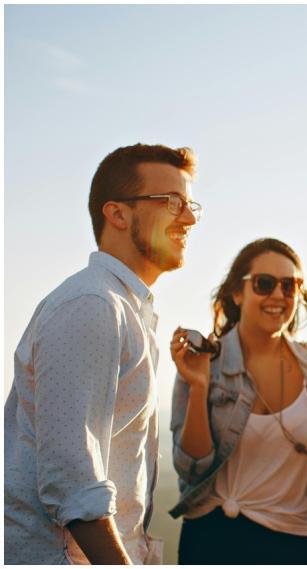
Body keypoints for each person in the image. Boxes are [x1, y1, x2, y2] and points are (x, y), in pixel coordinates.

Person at [4, 143, 200, 564]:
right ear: (117, 213)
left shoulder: (126, 309)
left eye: (190, 205)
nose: (189, 218)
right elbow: (74, 482)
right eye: (172, 202)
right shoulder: (92, 304)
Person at [168, 238, 307, 565]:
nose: (278, 295)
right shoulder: (204, 361)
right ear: (237, 292)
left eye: (290, 285)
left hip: (294, 548)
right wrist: (198, 386)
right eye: (265, 283)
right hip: (211, 543)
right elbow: (192, 469)